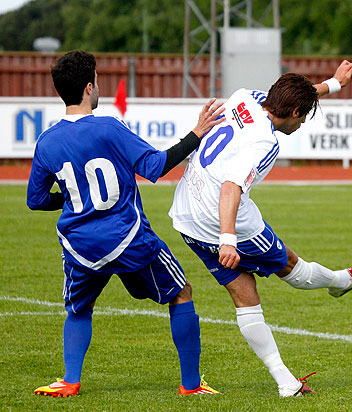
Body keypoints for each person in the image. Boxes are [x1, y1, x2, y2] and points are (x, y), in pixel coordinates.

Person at [168, 61, 352, 397]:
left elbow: (300, 96)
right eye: (304, 116)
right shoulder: (266, 143)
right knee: (290, 267)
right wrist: (228, 241)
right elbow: (230, 188)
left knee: (244, 293)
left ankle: (286, 383)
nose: (301, 123)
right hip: (222, 216)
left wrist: (335, 84)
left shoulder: (245, 97)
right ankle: (342, 281)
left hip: (187, 214)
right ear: (295, 111)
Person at [27, 50, 226, 396]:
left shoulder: (46, 141)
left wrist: (77, 197)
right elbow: (156, 166)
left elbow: (37, 200)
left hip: (80, 245)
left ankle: (70, 381)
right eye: (98, 80)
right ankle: (191, 386)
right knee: (181, 293)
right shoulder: (108, 127)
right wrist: (197, 133)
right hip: (128, 238)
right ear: (89, 87)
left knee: (78, 309)